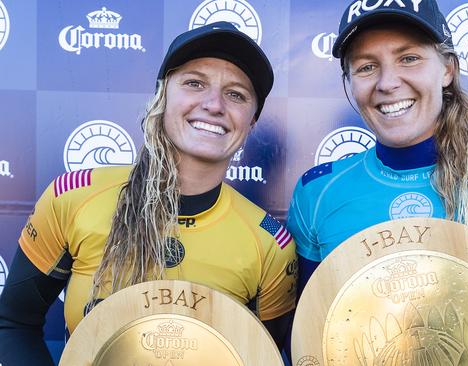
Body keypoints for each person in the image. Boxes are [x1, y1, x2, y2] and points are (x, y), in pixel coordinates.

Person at [287, 0, 468, 363]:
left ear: (447, 69)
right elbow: (310, 322)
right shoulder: (317, 194)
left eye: (409, 58)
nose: (387, 82)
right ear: (350, 82)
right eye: (366, 66)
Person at [0, 22, 296, 365]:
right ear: (162, 96)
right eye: (194, 83)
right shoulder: (75, 198)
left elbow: (263, 358)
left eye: (236, 94)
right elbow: (14, 323)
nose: (214, 104)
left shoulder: (270, 245)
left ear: (251, 122)